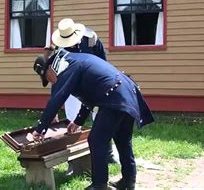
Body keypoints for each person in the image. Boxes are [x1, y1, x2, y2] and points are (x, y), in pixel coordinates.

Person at [32, 49, 154, 189]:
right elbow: (89, 96)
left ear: (50, 68)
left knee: (96, 139)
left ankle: (99, 184)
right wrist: (78, 121)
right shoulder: (75, 61)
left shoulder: (66, 66)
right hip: (126, 92)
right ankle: (128, 180)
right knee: (122, 139)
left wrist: (40, 128)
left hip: (114, 95)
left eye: (47, 77)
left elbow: (58, 98)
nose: (51, 81)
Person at [51, 18, 119, 168]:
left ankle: (108, 153)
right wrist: (54, 109)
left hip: (95, 86)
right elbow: (55, 79)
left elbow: (104, 64)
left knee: (101, 118)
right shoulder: (59, 49)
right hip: (73, 89)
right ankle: (74, 161)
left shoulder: (91, 40)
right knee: (72, 121)